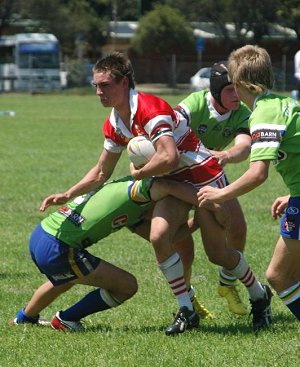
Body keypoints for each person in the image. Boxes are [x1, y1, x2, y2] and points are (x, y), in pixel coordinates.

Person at [40, 52, 268, 334]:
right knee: (159, 237)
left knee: (219, 254)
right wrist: (68, 193)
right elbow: (101, 172)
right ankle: (186, 310)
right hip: (171, 182)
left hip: (203, 178)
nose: (99, 92)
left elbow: (169, 157)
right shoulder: (114, 122)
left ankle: (259, 295)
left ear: (124, 83)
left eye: (105, 85)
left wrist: (139, 174)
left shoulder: (150, 108)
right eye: (96, 85)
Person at [12, 176, 211, 331]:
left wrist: (199, 221)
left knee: (66, 277)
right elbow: (168, 186)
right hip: (58, 247)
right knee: (126, 286)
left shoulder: (131, 203)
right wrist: (213, 202)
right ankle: (67, 319)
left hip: (42, 233)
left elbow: (169, 236)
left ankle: (25, 318)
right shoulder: (140, 189)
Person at [198, 44, 300, 322]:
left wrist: (219, 195)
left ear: (241, 83)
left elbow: (258, 174)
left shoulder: (264, 114)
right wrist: (292, 196)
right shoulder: (282, 103)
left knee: (278, 276)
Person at [175, 61, 251, 316]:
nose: (236, 95)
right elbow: (168, 127)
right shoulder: (194, 104)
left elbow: (244, 145)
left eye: (239, 89)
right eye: (230, 89)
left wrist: (226, 155)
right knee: (182, 243)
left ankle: (227, 284)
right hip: (178, 175)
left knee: (237, 228)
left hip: (211, 173)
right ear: (216, 91)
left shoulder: (241, 111)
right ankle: (187, 300)